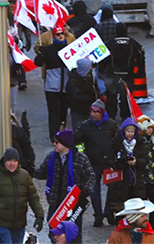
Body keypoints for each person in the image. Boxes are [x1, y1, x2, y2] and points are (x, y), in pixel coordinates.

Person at [34, 130, 96, 242]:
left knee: (73, 236)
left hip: (72, 204)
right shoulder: (51, 157)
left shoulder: (81, 158)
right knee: (54, 235)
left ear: (66, 144)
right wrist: (30, 170)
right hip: (55, 204)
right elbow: (42, 173)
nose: (54, 144)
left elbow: (91, 176)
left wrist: (85, 190)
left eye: (56, 142)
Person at [0, 147, 44, 243]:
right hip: (1, 223)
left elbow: (33, 197)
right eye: (9, 160)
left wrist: (39, 216)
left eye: (14, 161)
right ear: (4, 162)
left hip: (19, 223)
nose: (12, 164)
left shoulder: (24, 176)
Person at [75, 99, 119, 227]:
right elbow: (75, 138)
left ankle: (109, 213)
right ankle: (98, 215)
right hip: (93, 163)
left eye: (96, 112)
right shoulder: (85, 126)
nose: (93, 114)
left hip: (109, 163)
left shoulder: (111, 125)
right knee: (94, 191)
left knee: (112, 189)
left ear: (102, 113)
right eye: (92, 111)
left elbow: (118, 140)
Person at [34, 26, 72, 139]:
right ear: (54, 36)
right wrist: (40, 54)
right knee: (54, 112)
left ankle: (62, 131)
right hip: (52, 87)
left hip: (65, 86)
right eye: (58, 34)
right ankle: (54, 136)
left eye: (62, 34)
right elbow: (38, 63)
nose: (61, 36)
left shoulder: (69, 49)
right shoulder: (48, 49)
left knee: (63, 111)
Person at [66, 58, 99, 130]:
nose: (91, 68)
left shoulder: (88, 77)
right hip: (78, 110)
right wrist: (90, 96)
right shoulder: (74, 81)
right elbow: (76, 96)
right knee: (79, 130)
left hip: (88, 109)